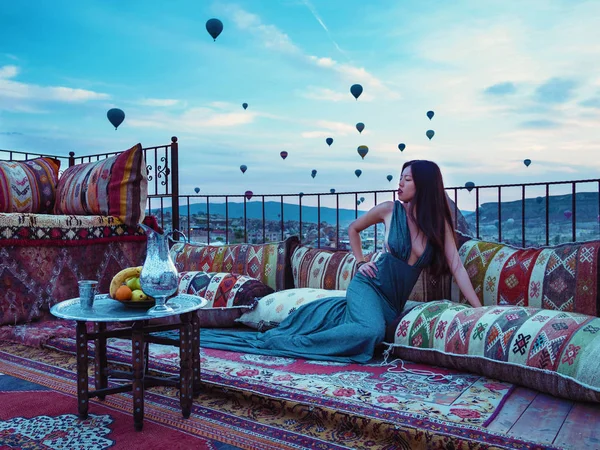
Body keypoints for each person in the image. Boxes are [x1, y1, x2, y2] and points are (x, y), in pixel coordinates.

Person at [199, 160, 482, 363]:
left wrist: (479, 309)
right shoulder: (389, 210)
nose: (400, 183)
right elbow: (353, 229)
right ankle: (289, 342)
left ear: (424, 184)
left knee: (363, 329)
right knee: (370, 331)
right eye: (400, 178)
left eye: (407, 179)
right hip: (369, 286)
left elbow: (456, 266)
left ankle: (316, 331)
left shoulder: (438, 224)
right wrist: (360, 262)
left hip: (392, 301)